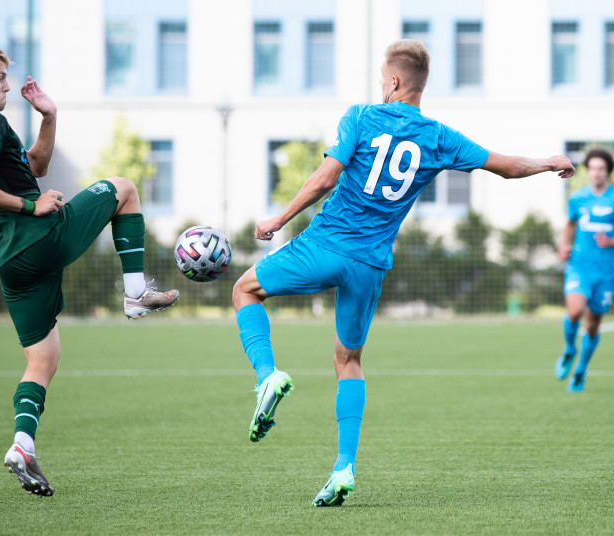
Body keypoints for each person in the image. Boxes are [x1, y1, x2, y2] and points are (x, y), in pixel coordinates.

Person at [231, 39, 575, 507]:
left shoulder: (361, 115)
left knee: (245, 289)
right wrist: (547, 162)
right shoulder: (438, 137)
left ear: (393, 81)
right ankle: (343, 467)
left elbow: (327, 177)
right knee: (348, 361)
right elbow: (508, 167)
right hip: (370, 265)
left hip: (326, 244)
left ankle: (267, 375)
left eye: (382, 78)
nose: (380, 84)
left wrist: (278, 218)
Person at [0, 44, 179, 497]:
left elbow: (34, 166)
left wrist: (49, 117)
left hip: (10, 262)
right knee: (125, 188)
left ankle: (23, 446)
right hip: (36, 240)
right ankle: (135, 292)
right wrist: (32, 206)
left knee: (42, 360)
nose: (7, 86)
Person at [554, 148, 614, 393]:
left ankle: (581, 370)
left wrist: (611, 241)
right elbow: (569, 223)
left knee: (592, 325)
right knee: (575, 311)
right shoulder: (578, 198)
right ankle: (569, 349)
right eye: (593, 169)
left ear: (608, 172)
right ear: (588, 171)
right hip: (579, 267)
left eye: (601, 169)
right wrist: (563, 245)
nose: (597, 173)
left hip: (606, 272)